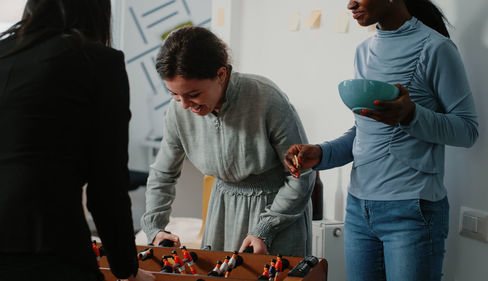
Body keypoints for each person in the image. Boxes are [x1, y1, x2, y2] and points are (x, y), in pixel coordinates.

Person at [285, 0, 478, 280]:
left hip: (412, 211)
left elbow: (468, 130)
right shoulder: (364, 51)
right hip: (358, 210)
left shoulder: (437, 48)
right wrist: (322, 154)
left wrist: (411, 115)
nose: (350, 4)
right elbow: (364, 131)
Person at [0, 1, 154, 281]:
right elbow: (107, 186)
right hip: (44, 246)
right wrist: (127, 268)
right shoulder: (97, 61)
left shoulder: (4, 52)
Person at [141, 26, 315, 256]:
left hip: (277, 213)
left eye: (193, 94)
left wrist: (265, 229)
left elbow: (301, 175)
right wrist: (155, 227)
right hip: (222, 213)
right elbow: (162, 174)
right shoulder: (178, 111)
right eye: (174, 94)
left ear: (221, 74)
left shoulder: (266, 99)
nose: (183, 104)